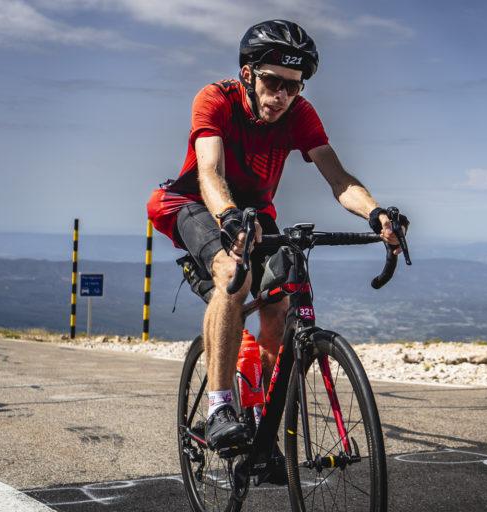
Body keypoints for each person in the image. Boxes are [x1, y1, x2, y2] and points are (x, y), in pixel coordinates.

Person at [147, 20, 407, 452]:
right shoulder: (216, 99)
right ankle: (220, 407)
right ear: (248, 74)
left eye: (293, 86)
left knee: (281, 303)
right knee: (233, 276)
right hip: (192, 203)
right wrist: (228, 217)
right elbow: (210, 171)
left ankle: (262, 425)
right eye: (273, 82)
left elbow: (338, 177)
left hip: (255, 212)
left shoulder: (300, 114)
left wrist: (376, 214)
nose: (282, 95)